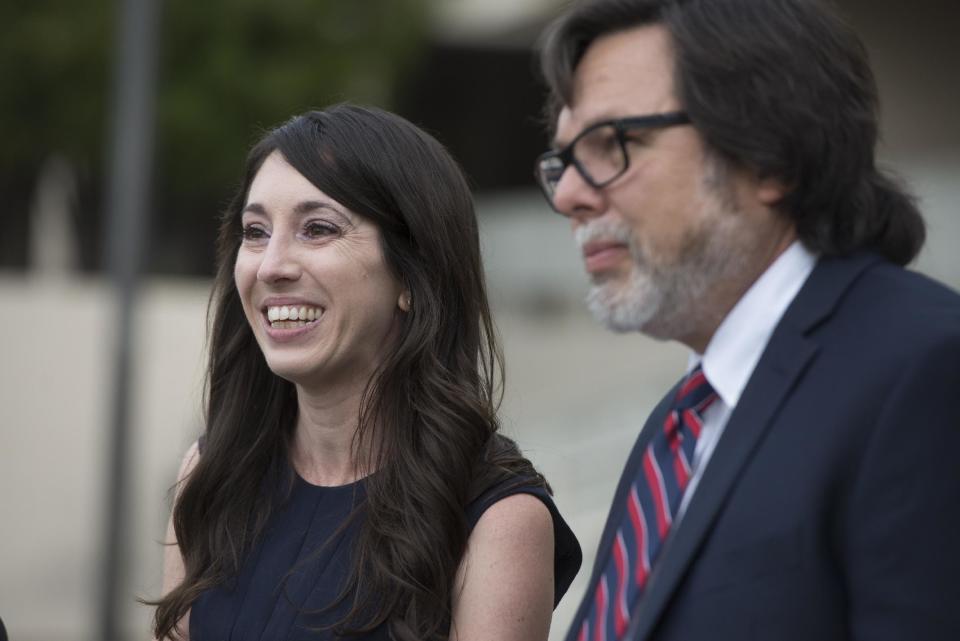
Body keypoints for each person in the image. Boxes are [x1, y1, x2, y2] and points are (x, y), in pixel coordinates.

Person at [534, 0, 960, 640]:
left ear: (770, 157)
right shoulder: (681, 421)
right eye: (563, 161)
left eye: (612, 143)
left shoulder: (926, 370)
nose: (569, 194)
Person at [150, 104, 581, 641]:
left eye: (318, 228)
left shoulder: (496, 518)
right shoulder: (212, 470)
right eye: (255, 231)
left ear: (411, 274)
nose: (271, 264)